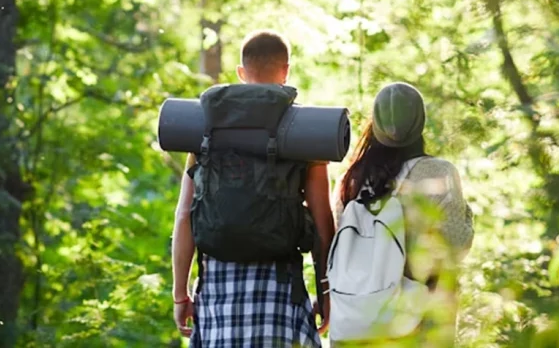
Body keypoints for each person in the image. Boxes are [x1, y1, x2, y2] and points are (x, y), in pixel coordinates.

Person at [171, 30, 335, 347]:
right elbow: (322, 223)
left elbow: (184, 217)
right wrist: (326, 291)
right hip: (280, 296)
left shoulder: (206, 129)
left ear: (241, 73)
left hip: (218, 298)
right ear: (286, 70)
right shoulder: (303, 134)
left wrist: (181, 294)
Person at [330, 82, 475, 347]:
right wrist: (468, 218)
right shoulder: (438, 173)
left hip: (357, 321)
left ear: (375, 124)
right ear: (420, 123)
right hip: (417, 323)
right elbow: (454, 245)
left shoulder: (351, 179)